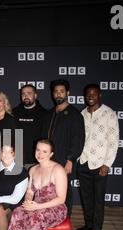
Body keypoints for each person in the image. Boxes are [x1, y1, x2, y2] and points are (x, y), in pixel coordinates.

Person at [6, 139, 67, 230]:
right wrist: (28, 201)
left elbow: (61, 199)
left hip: (55, 208)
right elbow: (29, 191)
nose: (40, 154)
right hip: (37, 205)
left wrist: (37, 207)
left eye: (44, 151)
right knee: (18, 212)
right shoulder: (33, 169)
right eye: (38, 150)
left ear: (51, 154)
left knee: (37, 217)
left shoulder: (58, 170)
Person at [76, 84, 119, 230]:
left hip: (100, 163)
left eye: (94, 93)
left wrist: (107, 164)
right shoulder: (82, 114)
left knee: (98, 199)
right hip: (84, 162)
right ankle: (88, 225)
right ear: (85, 96)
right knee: (86, 197)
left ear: (99, 94)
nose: (91, 96)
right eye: (88, 94)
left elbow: (114, 142)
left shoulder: (109, 114)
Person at [41, 79, 85, 217]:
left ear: (67, 93)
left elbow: (78, 139)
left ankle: (65, 221)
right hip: (49, 160)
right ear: (53, 94)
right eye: (56, 92)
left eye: (61, 91)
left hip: (64, 160)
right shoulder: (49, 114)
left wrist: (71, 160)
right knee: (49, 190)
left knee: (64, 192)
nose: (58, 94)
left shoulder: (74, 114)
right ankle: (50, 219)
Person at [13, 84, 49, 168]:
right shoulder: (13, 113)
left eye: (29, 93)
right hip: (16, 161)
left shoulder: (45, 114)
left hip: (36, 161)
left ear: (35, 95)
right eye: (23, 94)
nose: (26, 96)